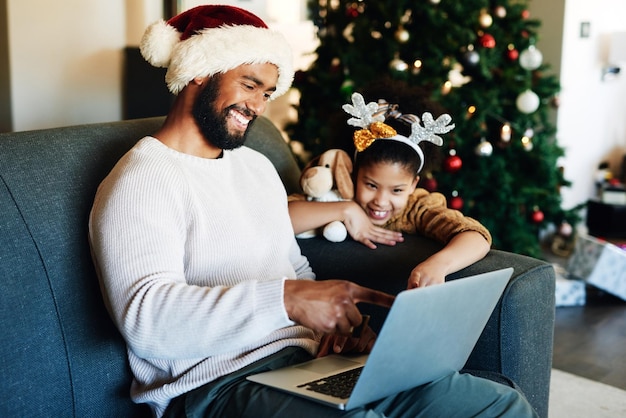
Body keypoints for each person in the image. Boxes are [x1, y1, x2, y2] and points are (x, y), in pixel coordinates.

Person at [88, 5, 536, 417]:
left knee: (497, 406)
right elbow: (146, 321)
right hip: (216, 385)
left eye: (267, 92)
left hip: (313, 361)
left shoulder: (255, 167)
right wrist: (288, 299)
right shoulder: (143, 179)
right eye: (249, 85)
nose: (259, 107)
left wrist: (340, 327)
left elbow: (293, 265)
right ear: (199, 72)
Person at [289, 92, 492, 288]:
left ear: (413, 184)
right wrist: (346, 209)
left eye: (396, 190)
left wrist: (438, 264)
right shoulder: (336, 192)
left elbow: (476, 236)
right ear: (355, 174)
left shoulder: (417, 207)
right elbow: (278, 220)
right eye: (371, 185)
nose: (381, 200)